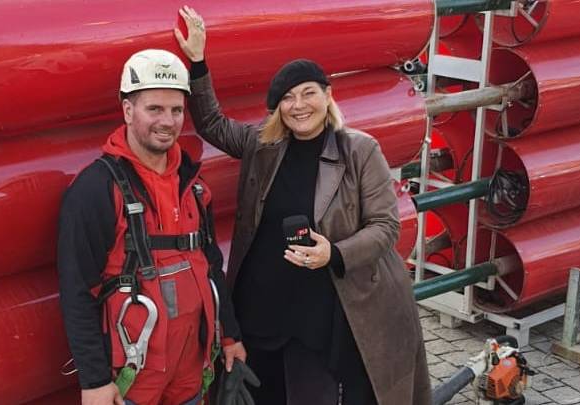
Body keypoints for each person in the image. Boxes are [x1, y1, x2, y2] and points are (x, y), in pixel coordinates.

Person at [174, 6, 432, 405]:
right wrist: (197, 60)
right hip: (262, 311)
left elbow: (385, 226)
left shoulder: (359, 150)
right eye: (287, 98)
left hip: (322, 316)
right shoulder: (263, 145)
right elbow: (212, 124)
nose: (299, 105)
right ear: (277, 108)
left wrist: (335, 252)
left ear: (327, 96)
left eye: (309, 92)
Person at [57, 49, 247, 405]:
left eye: (176, 110)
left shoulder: (192, 184)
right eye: (154, 109)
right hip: (131, 382)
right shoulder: (96, 189)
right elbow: (76, 290)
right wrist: (94, 381)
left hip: (190, 375)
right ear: (128, 111)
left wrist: (229, 335)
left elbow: (209, 266)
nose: (168, 121)